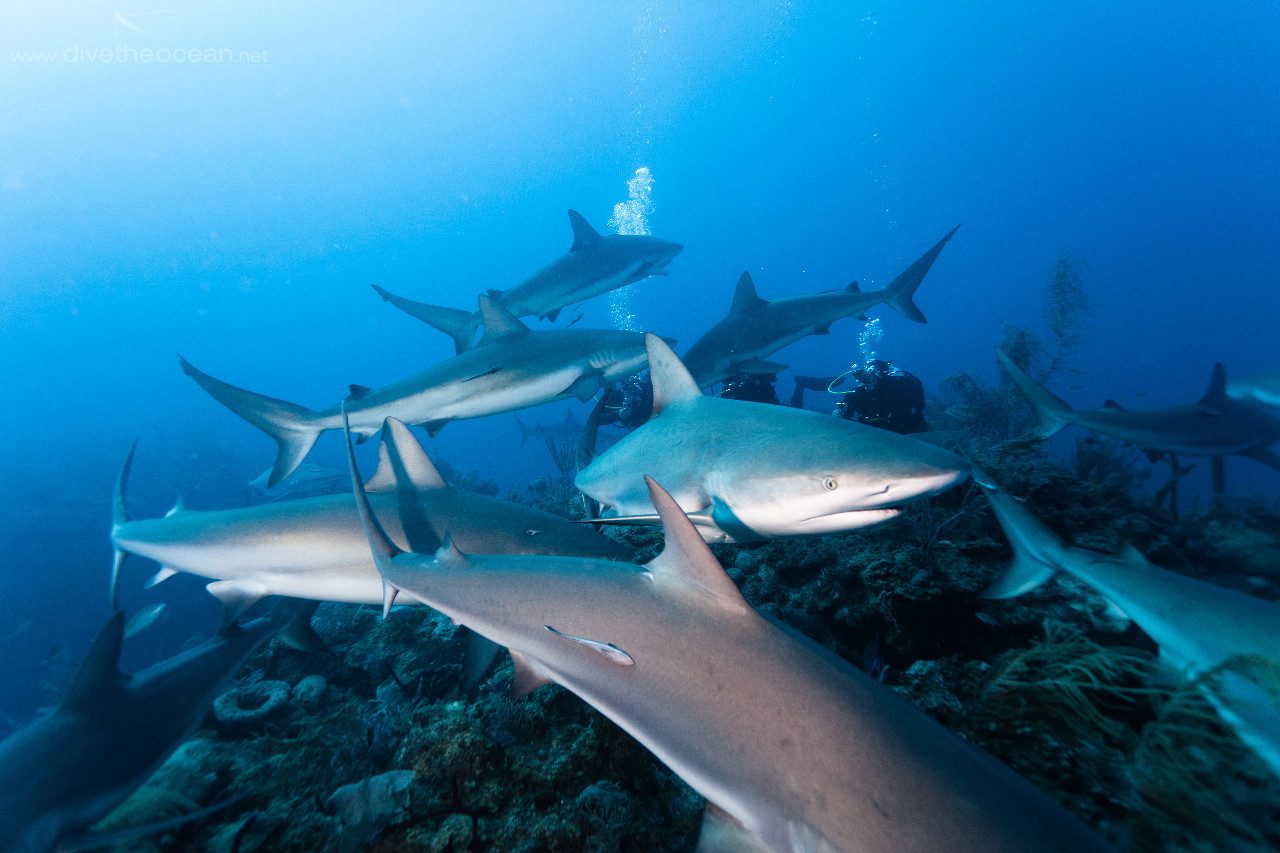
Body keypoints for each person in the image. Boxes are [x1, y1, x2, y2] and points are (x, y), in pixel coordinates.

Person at [836, 359, 928, 434]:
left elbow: (917, 406)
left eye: (869, 376)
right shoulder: (856, 394)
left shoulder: (896, 387)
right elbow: (845, 419)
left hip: (908, 432)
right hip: (874, 437)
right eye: (863, 377)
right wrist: (839, 415)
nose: (866, 380)